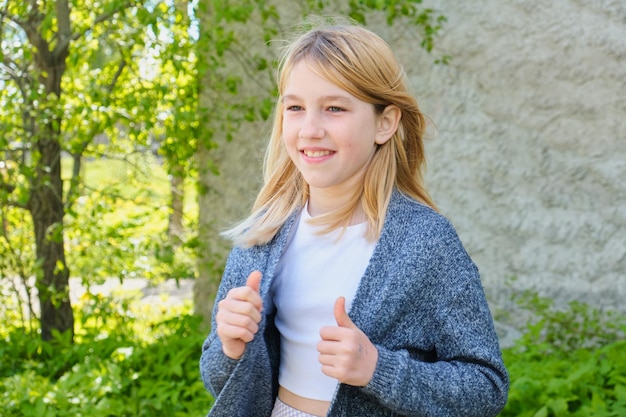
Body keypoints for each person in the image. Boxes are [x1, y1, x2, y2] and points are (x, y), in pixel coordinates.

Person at [199, 20, 509, 417]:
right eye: (295, 107)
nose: (310, 129)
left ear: (385, 122)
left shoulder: (426, 242)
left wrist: (378, 369)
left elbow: (486, 387)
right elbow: (218, 380)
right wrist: (230, 346)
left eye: (334, 108)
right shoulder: (263, 235)